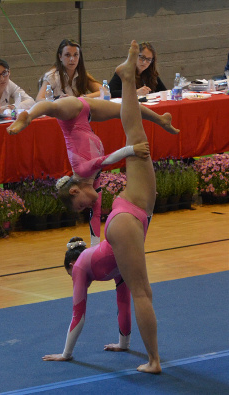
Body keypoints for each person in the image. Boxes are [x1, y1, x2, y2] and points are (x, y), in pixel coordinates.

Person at [7, 95, 179, 246]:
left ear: (75, 190)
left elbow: (106, 159)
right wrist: (95, 248)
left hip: (71, 116)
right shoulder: (92, 181)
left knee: (52, 108)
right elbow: (95, 216)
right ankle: (161, 120)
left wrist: (132, 149)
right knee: (125, 110)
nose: (88, 205)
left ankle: (28, 117)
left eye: (82, 204)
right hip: (86, 115)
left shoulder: (81, 170)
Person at [102, 40, 162, 373]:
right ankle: (153, 360)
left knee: (136, 136)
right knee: (142, 292)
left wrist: (163, 122)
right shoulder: (82, 164)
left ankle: (125, 78)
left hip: (131, 213)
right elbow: (103, 160)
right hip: (126, 217)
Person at [42, 235, 133, 362]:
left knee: (123, 302)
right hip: (128, 250)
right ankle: (124, 343)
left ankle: (125, 345)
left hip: (121, 245)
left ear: (72, 265)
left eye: (71, 275)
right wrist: (123, 345)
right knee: (124, 302)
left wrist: (65, 354)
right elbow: (124, 305)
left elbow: (78, 316)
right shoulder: (91, 260)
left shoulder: (79, 266)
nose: (74, 279)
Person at [36, 39, 102, 102]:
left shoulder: (81, 74)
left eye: (75, 55)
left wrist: (82, 98)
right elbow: (39, 99)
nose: (72, 59)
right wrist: (56, 100)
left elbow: (104, 91)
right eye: (67, 55)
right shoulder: (52, 76)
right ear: (60, 57)